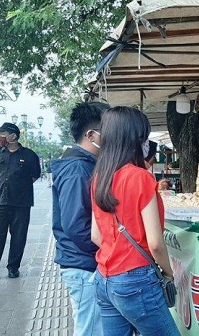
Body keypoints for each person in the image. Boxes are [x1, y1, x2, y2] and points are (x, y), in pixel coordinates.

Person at [90, 106, 180, 336]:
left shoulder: (99, 178)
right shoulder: (140, 177)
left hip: (104, 278)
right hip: (136, 281)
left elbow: (96, 236)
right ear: (135, 137)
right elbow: (156, 244)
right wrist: (169, 273)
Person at [51, 102, 109, 336]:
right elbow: (76, 225)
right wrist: (106, 251)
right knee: (91, 330)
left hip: (83, 263)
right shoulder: (77, 169)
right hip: (84, 265)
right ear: (91, 135)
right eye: (110, 131)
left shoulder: (84, 164)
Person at [0, 122, 41, 283]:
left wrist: (19, 186)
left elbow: (35, 175)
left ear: (13, 136)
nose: (1, 137)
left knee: (18, 237)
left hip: (21, 203)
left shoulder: (29, 155)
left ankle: (13, 267)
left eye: (3, 133)